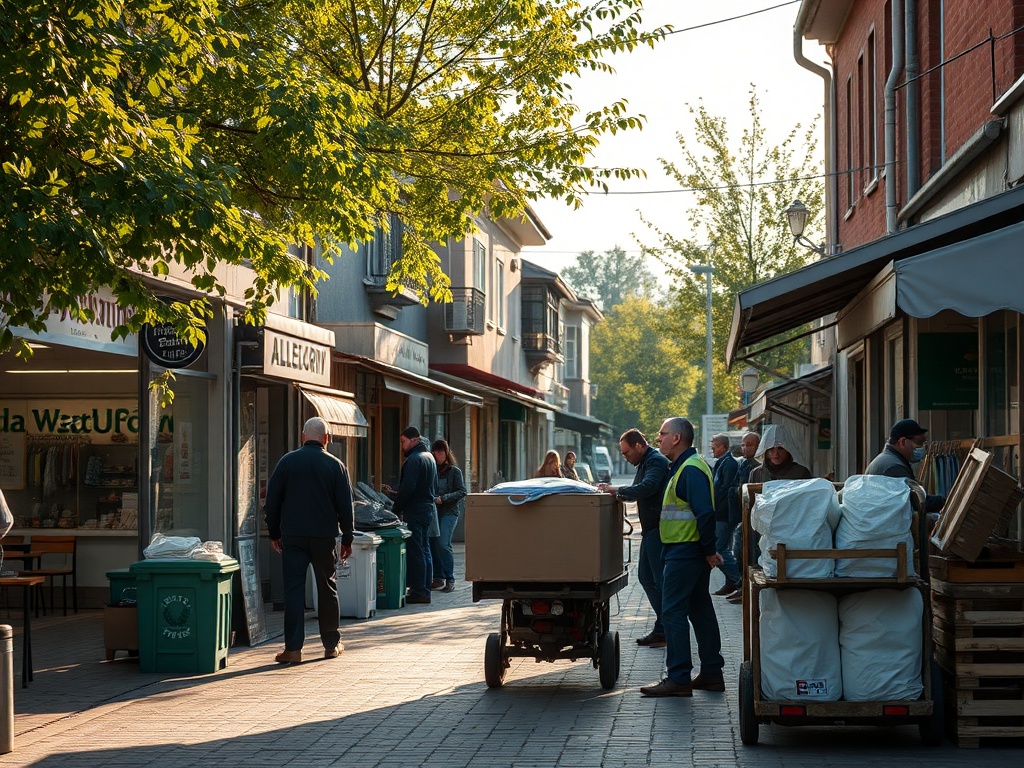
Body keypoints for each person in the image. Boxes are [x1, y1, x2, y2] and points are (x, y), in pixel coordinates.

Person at [640, 417, 725, 698]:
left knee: (672, 612)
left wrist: (710, 550)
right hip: (688, 550)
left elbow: (705, 512)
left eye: (662, 434)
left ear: (676, 438)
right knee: (700, 609)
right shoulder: (685, 467)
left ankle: (678, 678)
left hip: (684, 551)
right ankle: (711, 673)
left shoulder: (689, 469)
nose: (658, 438)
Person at [264, 417, 354, 664]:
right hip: (324, 536)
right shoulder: (336, 466)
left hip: (292, 536)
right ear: (326, 438)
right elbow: (346, 507)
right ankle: (331, 645)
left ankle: (293, 649)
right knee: (327, 588)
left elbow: (272, 502)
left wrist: (274, 532)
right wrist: (347, 538)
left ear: (304, 436)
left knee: (293, 589)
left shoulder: (287, 462)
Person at [599, 428, 670, 647]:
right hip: (650, 530)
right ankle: (663, 626)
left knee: (657, 580)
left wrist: (616, 491)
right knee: (647, 578)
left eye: (627, 452)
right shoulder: (646, 462)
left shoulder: (655, 461)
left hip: (658, 530)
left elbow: (647, 487)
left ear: (639, 445)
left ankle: (666, 627)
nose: (625, 457)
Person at [383, 426, 439, 604]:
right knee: (424, 548)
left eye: (403, 442)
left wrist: (395, 510)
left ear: (414, 440)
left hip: (416, 509)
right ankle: (424, 588)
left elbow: (407, 488)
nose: (402, 446)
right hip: (427, 508)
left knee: (416, 550)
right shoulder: (429, 457)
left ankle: (419, 590)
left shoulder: (415, 459)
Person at [865, 418, 945, 512]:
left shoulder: (887, 460)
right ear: (902, 442)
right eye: (919, 443)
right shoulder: (894, 468)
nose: (923, 448)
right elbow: (916, 502)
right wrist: (943, 502)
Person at [724, 432, 761, 604]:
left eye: (750, 445)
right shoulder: (743, 464)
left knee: (748, 554)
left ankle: (745, 588)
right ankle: (742, 587)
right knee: (741, 553)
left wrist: (737, 491)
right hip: (740, 515)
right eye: (743, 445)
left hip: (754, 519)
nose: (745, 448)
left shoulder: (758, 468)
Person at [430, 438, 467, 593]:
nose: (438, 454)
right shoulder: (431, 469)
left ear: (446, 453)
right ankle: (438, 577)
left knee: (444, 543)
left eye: (441, 451)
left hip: (449, 512)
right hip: (434, 512)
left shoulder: (454, 471)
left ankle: (450, 579)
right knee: (433, 543)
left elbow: (462, 492)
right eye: (436, 451)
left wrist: (443, 498)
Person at [710, 434, 741, 597]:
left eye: (714, 445)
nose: (712, 448)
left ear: (724, 447)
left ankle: (737, 581)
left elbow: (725, 490)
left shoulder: (729, 464)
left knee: (719, 548)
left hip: (725, 514)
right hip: (719, 514)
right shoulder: (721, 463)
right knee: (720, 547)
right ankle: (731, 582)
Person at [747, 424, 811, 484]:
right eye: (771, 449)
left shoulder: (800, 473)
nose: (776, 454)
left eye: (780, 449)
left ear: (787, 450)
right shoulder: (756, 474)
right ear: (766, 451)